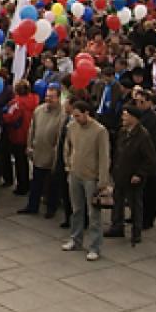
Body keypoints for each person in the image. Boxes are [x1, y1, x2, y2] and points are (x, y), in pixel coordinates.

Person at [61, 100, 111, 262]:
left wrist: (103, 181)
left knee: (93, 213)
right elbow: (67, 147)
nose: (75, 119)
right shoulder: (72, 127)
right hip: (75, 173)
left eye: (78, 116)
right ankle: (75, 239)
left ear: (86, 113)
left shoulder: (99, 131)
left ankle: (95, 246)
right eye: (73, 116)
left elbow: (104, 157)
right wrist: (68, 165)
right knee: (76, 209)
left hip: (91, 176)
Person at [107, 104, 156, 245]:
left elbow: (150, 159)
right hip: (120, 174)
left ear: (134, 118)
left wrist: (140, 174)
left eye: (126, 115)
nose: (123, 117)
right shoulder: (123, 132)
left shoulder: (143, 136)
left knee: (135, 205)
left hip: (133, 177)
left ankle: (136, 232)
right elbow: (118, 151)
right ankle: (117, 226)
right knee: (117, 201)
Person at [19, 83, 64, 215]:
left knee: (52, 185)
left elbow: (60, 137)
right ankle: (32, 206)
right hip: (38, 152)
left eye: (52, 97)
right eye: (47, 96)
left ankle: (51, 208)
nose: (49, 99)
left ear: (59, 98)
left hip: (51, 155)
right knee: (36, 183)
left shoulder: (62, 115)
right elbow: (32, 129)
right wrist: (29, 145)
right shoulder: (39, 110)